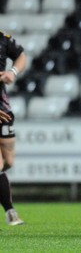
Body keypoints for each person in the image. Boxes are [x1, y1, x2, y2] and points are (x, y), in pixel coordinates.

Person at [0, 31, 26, 225]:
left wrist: (12, 72)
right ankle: (10, 211)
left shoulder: (2, 38)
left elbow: (20, 55)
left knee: (8, 162)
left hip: (3, 109)